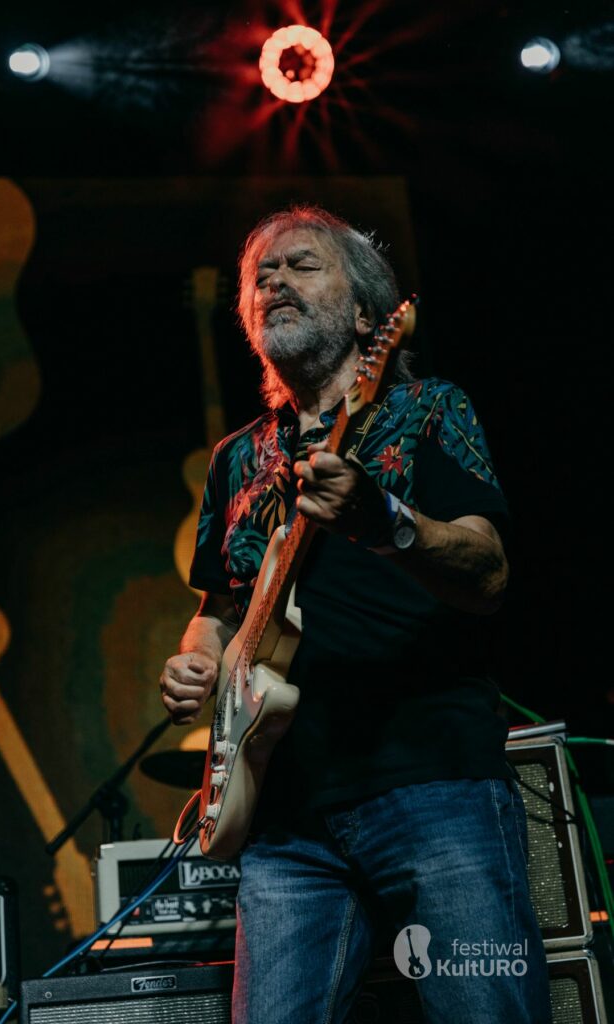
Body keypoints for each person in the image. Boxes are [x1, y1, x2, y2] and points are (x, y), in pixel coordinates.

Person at [159, 206, 551, 1024]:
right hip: (284, 818)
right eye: (259, 276)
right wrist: (197, 658)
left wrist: (386, 523)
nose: (273, 280)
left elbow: (488, 573)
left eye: (300, 264)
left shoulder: (427, 409)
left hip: (433, 783)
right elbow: (218, 609)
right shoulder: (235, 458)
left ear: (370, 316)